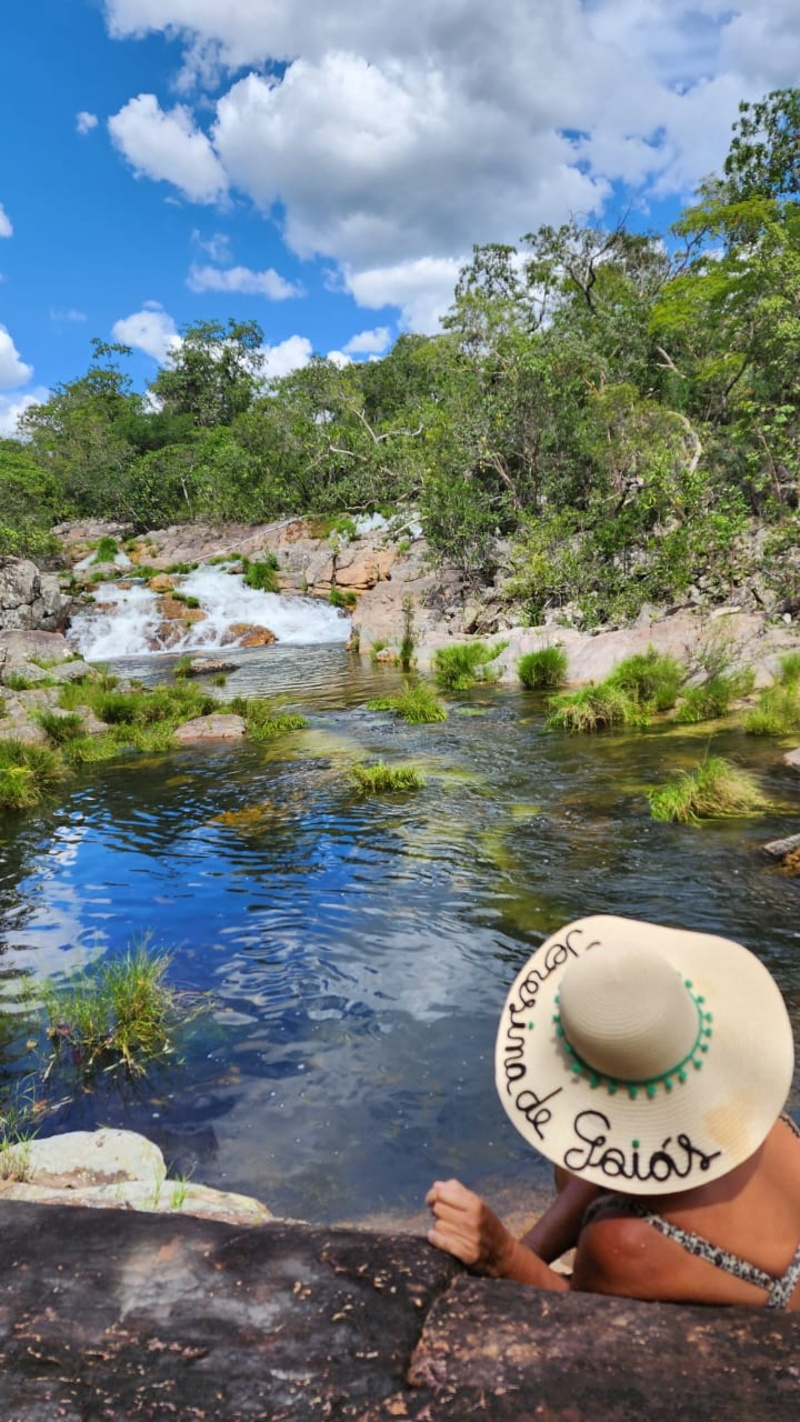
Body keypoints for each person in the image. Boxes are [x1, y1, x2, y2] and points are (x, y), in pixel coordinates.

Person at [426, 915, 800, 1310]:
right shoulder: (758, 1118)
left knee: (575, 1157)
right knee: (576, 1163)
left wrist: (502, 1255)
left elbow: (579, 1313)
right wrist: (532, 1248)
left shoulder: (623, 1240)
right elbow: (607, 1166)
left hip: (776, 1331)